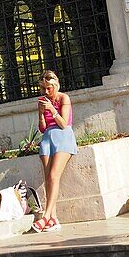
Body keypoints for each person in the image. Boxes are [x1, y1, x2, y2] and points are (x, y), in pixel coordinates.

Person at [31, 70, 76, 233]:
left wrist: (52, 109)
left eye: (49, 87)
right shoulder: (42, 101)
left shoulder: (64, 98)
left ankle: (46, 216)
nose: (46, 91)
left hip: (63, 136)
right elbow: (43, 128)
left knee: (53, 175)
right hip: (47, 139)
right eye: (43, 89)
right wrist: (42, 114)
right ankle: (54, 219)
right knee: (48, 178)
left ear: (55, 85)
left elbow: (64, 124)